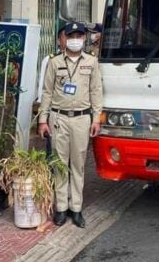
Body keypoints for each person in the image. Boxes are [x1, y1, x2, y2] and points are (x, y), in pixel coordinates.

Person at [38, 22, 103, 228]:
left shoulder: (91, 62)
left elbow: (96, 91)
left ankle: (76, 209)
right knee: (59, 163)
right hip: (59, 118)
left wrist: (96, 118)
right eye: (71, 35)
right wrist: (42, 120)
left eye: (79, 36)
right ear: (64, 38)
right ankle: (61, 208)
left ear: (84, 39)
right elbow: (47, 92)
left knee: (78, 164)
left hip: (82, 119)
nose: (75, 39)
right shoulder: (55, 62)